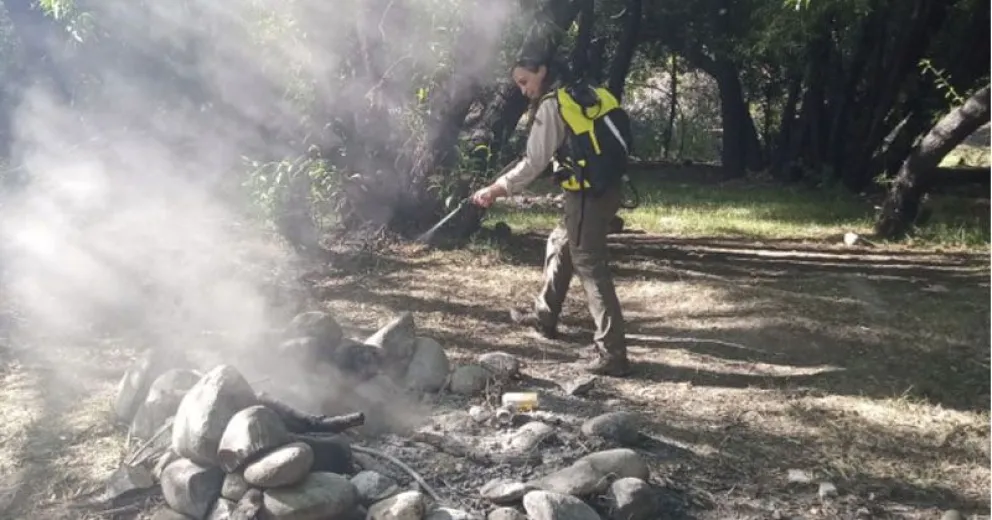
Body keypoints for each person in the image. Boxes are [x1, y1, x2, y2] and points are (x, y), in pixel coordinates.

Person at [470, 55, 631, 377]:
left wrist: (496, 189)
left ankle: (612, 353)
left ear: (541, 70)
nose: (523, 90)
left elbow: (534, 163)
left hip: (587, 196)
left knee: (590, 266)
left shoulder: (553, 104)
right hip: (606, 188)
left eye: (524, 81)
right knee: (561, 243)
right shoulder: (586, 93)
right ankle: (544, 317)